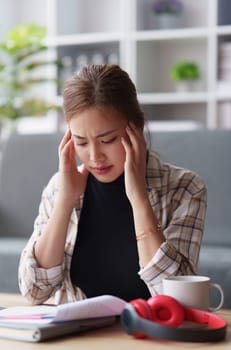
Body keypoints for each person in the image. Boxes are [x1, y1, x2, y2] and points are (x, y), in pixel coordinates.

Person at [18, 64, 207, 305]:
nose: (95, 156)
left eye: (107, 140)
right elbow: (34, 292)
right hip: (79, 338)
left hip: (150, 338)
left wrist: (138, 198)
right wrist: (64, 202)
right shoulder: (60, 187)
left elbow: (178, 300)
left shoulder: (185, 189)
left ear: (136, 128)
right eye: (82, 143)